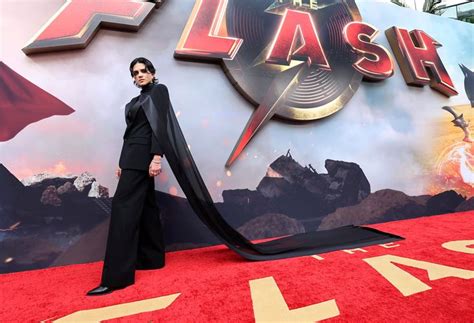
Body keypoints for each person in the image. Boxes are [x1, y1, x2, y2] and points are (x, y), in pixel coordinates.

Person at [87, 57, 168, 296]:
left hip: (144, 157)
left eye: (144, 71)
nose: (140, 75)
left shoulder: (159, 91)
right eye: (135, 73)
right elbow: (130, 134)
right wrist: (122, 163)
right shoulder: (136, 99)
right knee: (147, 207)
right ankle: (152, 258)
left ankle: (116, 278)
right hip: (131, 157)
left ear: (153, 72)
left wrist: (156, 156)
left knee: (123, 210)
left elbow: (160, 126)